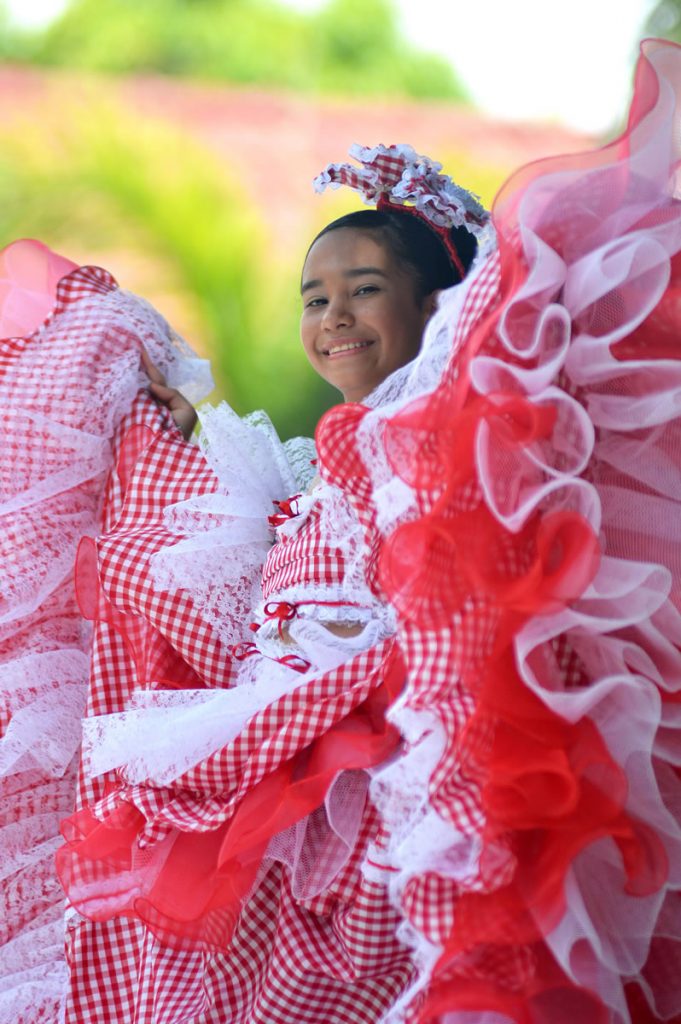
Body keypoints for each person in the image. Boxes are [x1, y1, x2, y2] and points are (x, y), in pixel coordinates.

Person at [2, 36, 681, 1024]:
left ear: (439, 308)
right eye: (314, 297)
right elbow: (263, 528)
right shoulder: (323, 455)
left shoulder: (444, 434)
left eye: (365, 289)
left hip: (386, 740)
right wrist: (169, 430)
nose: (333, 317)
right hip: (285, 730)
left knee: (392, 948)